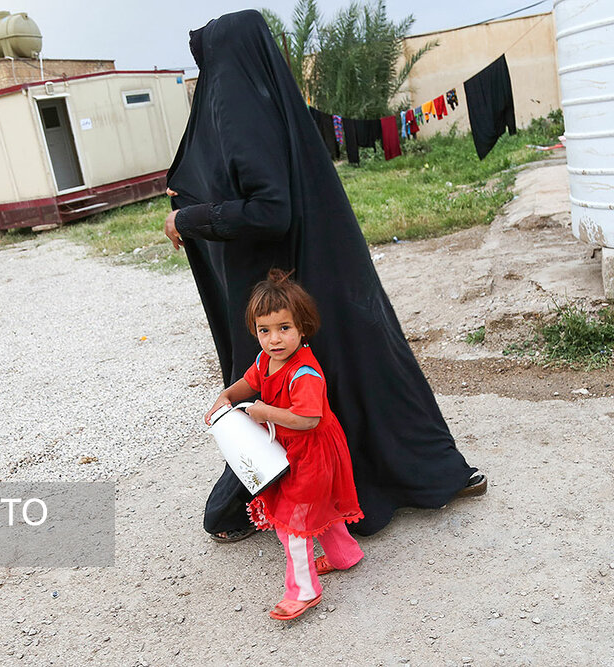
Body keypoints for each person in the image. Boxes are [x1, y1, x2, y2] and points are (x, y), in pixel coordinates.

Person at [165, 10, 486, 542]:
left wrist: (188, 218)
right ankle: (431, 473)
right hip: (322, 270)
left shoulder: (239, 108)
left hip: (283, 287)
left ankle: (309, 500)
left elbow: (269, 209)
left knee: (299, 384)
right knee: (362, 368)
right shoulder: (268, 100)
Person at [204, 270, 363, 620]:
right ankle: (344, 556)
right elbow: (247, 383)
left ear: (302, 327)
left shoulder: (305, 373)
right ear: (255, 330)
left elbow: (308, 420)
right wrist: (226, 396)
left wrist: (265, 412)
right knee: (319, 510)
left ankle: (303, 591)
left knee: (292, 526)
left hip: (313, 454)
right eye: (265, 330)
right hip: (294, 453)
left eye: (284, 328)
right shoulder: (266, 360)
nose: (274, 339)